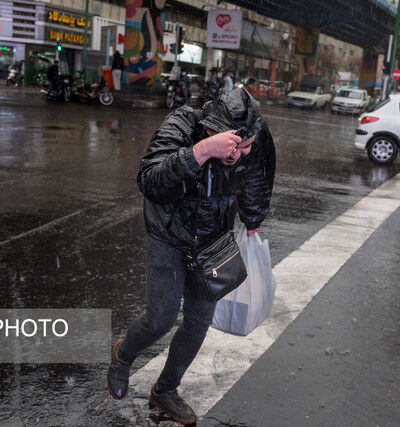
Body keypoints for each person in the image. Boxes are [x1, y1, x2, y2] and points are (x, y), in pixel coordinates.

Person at [107, 88, 276, 425]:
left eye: (244, 147)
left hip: (213, 238)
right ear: (212, 127)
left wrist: (253, 220)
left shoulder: (256, 138)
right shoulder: (183, 123)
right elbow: (150, 180)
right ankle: (123, 354)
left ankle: (166, 390)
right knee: (162, 318)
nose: (236, 154)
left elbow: (258, 177)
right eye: (230, 144)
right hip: (167, 233)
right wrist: (200, 152)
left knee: (198, 322)